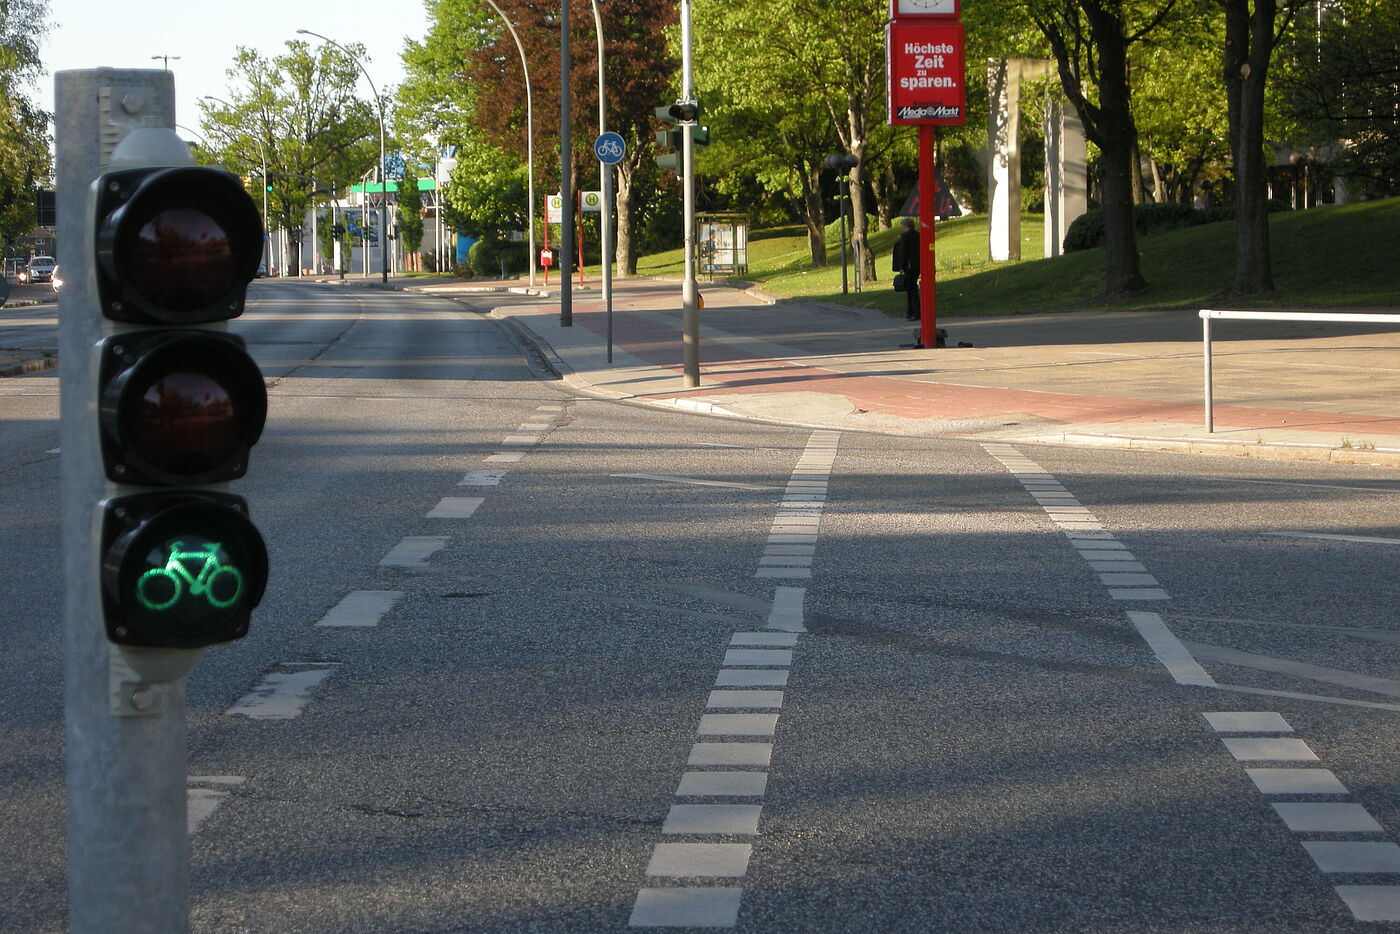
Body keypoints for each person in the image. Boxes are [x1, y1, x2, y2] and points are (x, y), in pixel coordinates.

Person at [891, 217, 921, 320]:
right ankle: (911, 312)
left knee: (911, 291)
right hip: (917, 266)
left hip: (909, 266)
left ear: (905, 226)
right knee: (912, 289)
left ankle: (914, 313)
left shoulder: (905, 236)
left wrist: (901, 266)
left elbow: (903, 253)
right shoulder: (918, 235)